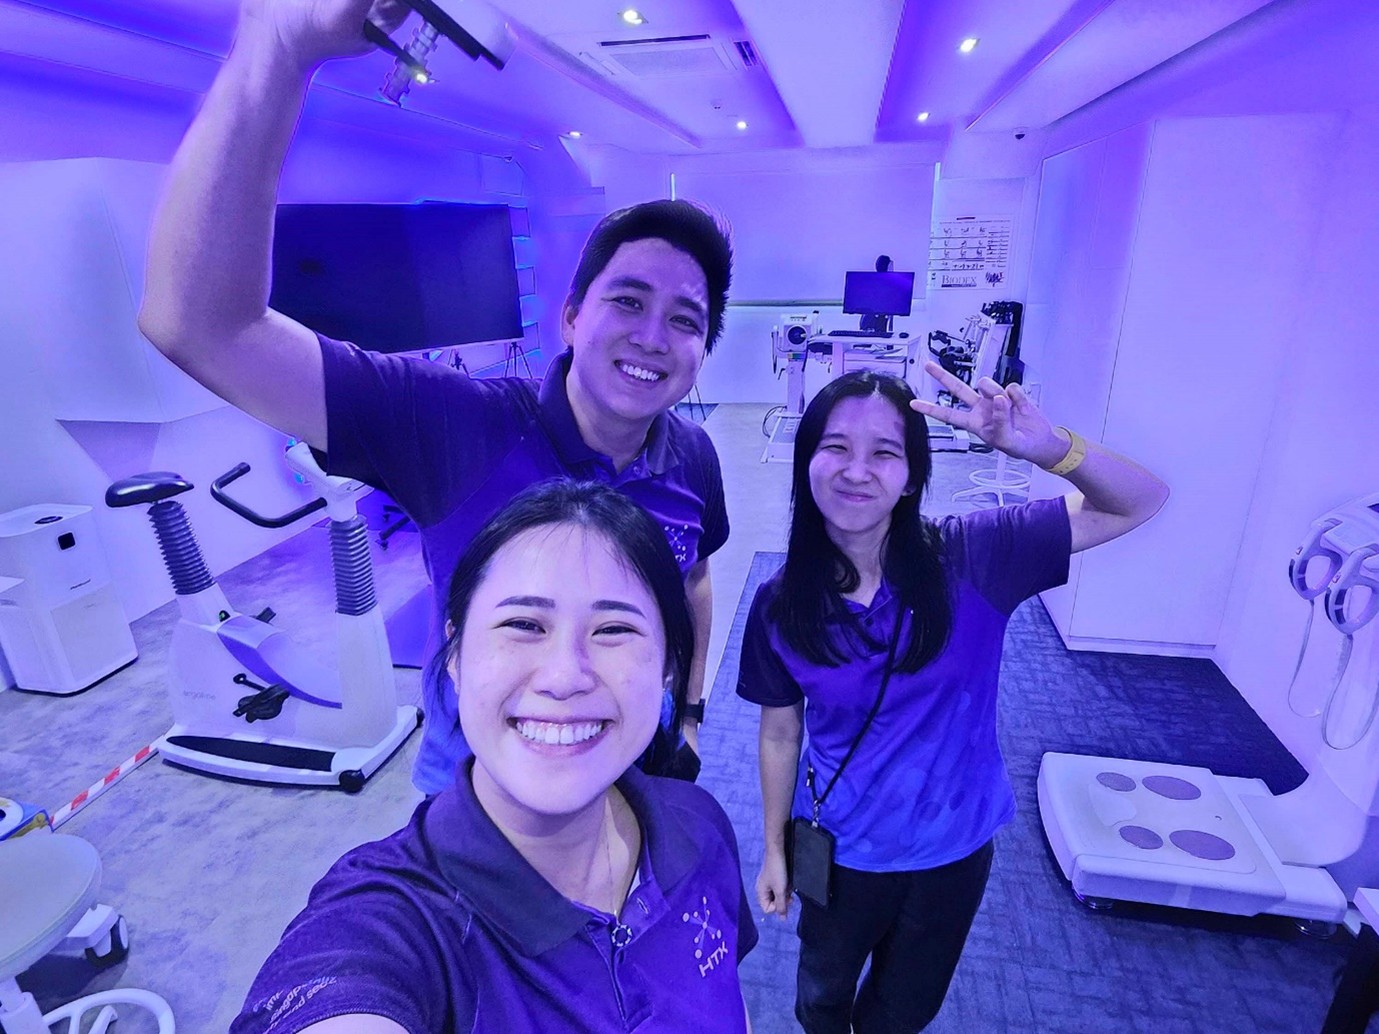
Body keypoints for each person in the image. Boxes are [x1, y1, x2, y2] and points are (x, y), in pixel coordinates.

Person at [138, 0, 731, 794]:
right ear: (570, 316)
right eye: (627, 301)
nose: (653, 336)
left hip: (638, 773)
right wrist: (273, 50)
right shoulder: (453, 422)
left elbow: (693, 582)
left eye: (685, 319)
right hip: (481, 807)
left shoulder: (691, 455)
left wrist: (687, 713)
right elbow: (201, 326)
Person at [231, 480, 758, 1034]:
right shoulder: (394, 923)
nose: (564, 677)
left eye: (613, 630)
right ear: (455, 653)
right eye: (524, 625)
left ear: (668, 667)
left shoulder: (700, 826)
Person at [738, 364, 1169, 1033]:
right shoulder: (779, 604)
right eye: (835, 446)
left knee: (903, 1011)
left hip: (952, 849)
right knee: (821, 997)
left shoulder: (976, 556)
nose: (857, 470)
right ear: (806, 463)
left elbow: (1138, 501)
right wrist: (773, 848)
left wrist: (1050, 449)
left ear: (912, 475)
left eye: (885, 452)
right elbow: (779, 732)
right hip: (842, 846)